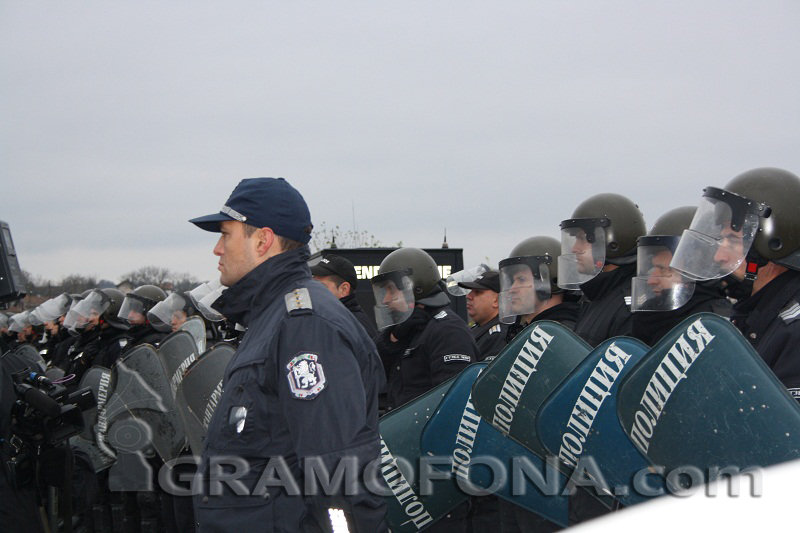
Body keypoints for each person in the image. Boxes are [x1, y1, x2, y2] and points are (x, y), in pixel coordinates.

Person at [189, 177, 387, 532]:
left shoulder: (304, 325)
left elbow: (337, 475)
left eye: (226, 234)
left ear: (262, 240)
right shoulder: (271, 317)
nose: (217, 249)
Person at [671, 167, 800, 401]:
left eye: (731, 241)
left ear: (772, 243)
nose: (719, 256)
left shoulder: (793, 330)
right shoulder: (754, 314)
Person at [630, 206, 733, 345]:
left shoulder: (714, 326)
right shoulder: (650, 322)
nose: (651, 280)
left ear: (696, 270)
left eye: (663, 270)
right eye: (653, 269)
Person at [558, 193, 646, 347]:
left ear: (612, 242)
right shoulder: (595, 294)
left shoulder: (630, 308)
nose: (574, 248)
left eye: (582, 239)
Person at [311, 253, 377, 337]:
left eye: (321, 286)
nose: (315, 291)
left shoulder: (355, 328)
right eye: (314, 284)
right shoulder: (326, 319)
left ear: (344, 289)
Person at [455, 270, 507, 362]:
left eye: (478, 292)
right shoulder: (477, 328)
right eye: (471, 291)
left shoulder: (499, 336)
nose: (469, 296)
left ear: (496, 300)